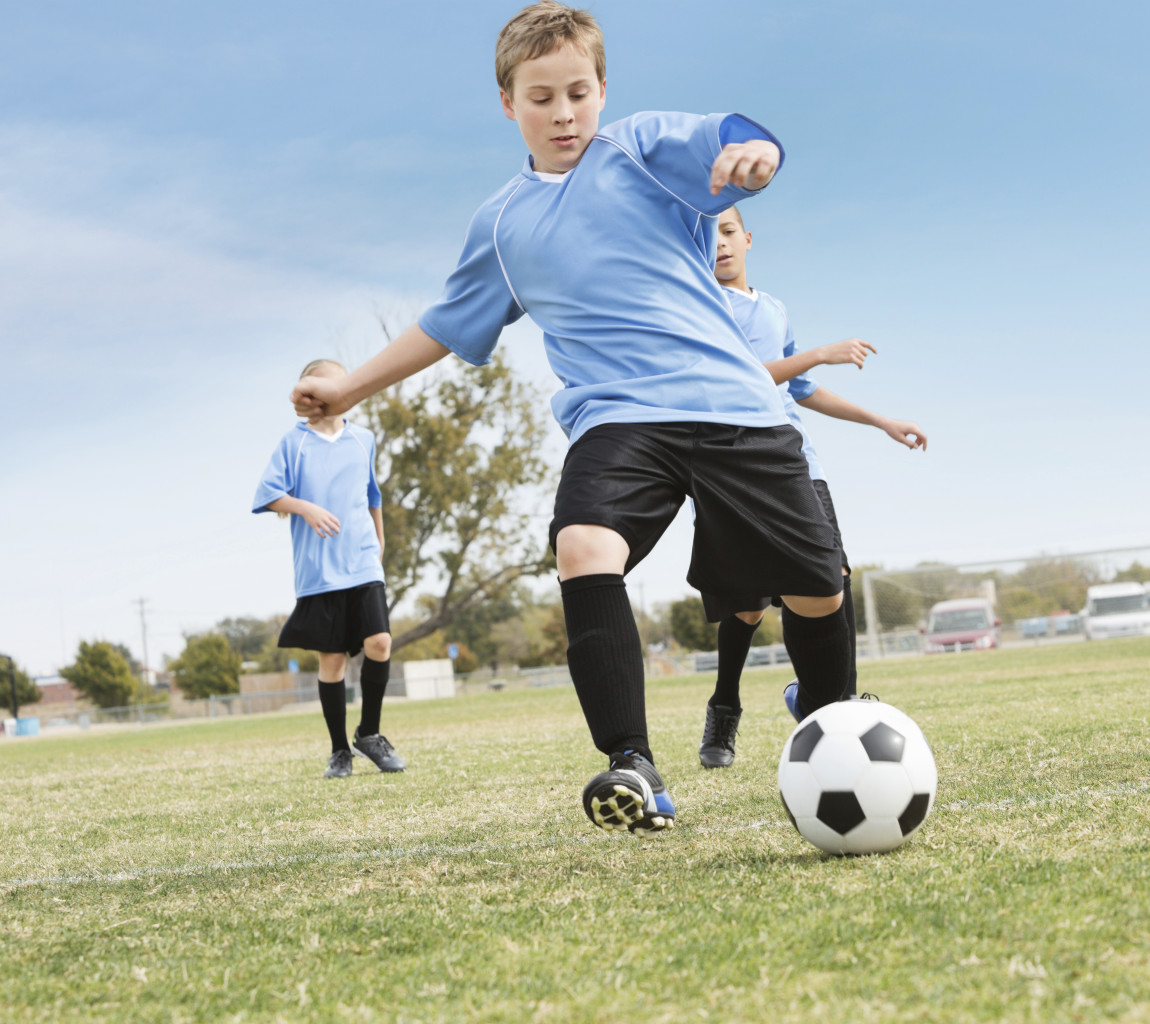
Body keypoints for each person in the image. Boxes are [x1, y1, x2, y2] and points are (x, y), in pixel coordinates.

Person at [288, 2, 854, 835]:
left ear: (601, 90)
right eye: (541, 96)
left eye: (578, 93)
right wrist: (349, 391)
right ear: (508, 102)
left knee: (816, 588)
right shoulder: (504, 223)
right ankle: (632, 763)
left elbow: (730, 135)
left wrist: (755, 155)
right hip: (619, 421)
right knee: (583, 546)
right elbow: (447, 323)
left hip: (733, 405)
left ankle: (834, 724)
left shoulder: (641, 148)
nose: (563, 113)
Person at [697, 205, 927, 768]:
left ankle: (830, 702)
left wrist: (881, 421)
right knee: (747, 607)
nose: (720, 245)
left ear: (748, 237)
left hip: (797, 462)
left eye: (727, 232)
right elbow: (742, 374)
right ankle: (724, 707)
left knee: (832, 578)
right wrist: (822, 350)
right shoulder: (699, 305)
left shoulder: (773, 309)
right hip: (728, 464)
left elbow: (800, 387)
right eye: (707, 236)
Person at [254, 359, 405, 778]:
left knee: (380, 643)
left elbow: (373, 495)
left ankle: (369, 734)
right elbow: (267, 494)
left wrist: (380, 540)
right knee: (333, 661)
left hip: (362, 561)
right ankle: (340, 751)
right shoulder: (293, 443)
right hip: (319, 569)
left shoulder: (365, 440)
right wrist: (305, 508)